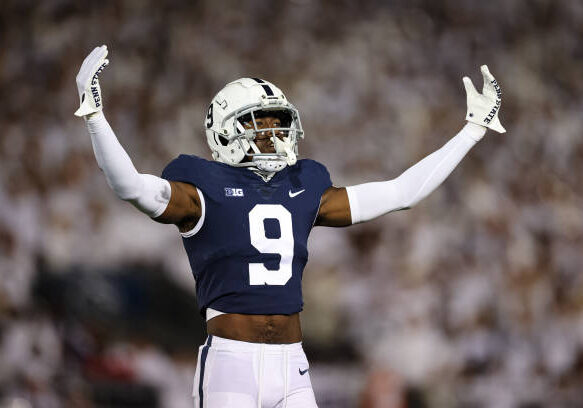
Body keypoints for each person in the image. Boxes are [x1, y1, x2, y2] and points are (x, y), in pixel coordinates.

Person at [74, 45, 505, 408]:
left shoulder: (303, 184)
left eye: (279, 122)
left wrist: (471, 131)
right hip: (231, 362)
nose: (275, 133)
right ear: (226, 130)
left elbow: (401, 194)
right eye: (261, 123)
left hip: (293, 363)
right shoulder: (201, 184)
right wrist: (95, 115)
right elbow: (131, 186)